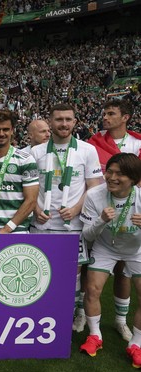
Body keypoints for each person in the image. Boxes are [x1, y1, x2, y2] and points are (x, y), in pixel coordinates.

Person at [30, 103, 103, 332]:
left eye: (68, 119)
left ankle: (76, 312)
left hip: (73, 223)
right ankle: (45, 313)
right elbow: (29, 187)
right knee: (41, 269)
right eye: (59, 119)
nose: (63, 124)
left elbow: (94, 186)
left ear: (75, 122)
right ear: (50, 122)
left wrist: (76, 208)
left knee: (74, 272)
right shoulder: (36, 152)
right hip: (42, 222)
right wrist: (34, 209)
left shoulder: (87, 150)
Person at [79, 153, 141, 368]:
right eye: (109, 171)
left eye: (120, 174)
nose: (112, 177)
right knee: (93, 289)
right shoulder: (94, 195)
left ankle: (137, 343)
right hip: (106, 247)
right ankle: (95, 336)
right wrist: (101, 220)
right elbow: (87, 235)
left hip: (136, 249)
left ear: (133, 179)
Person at [88, 99, 141, 340]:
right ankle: (85, 318)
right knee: (93, 279)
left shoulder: (137, 142)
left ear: (125, 117)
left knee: (124, 274)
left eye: (111, 113)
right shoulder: (93, 142)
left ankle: (121, 321)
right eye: (104, 113)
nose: (105, 118)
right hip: (102, 207)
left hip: (132, 210)